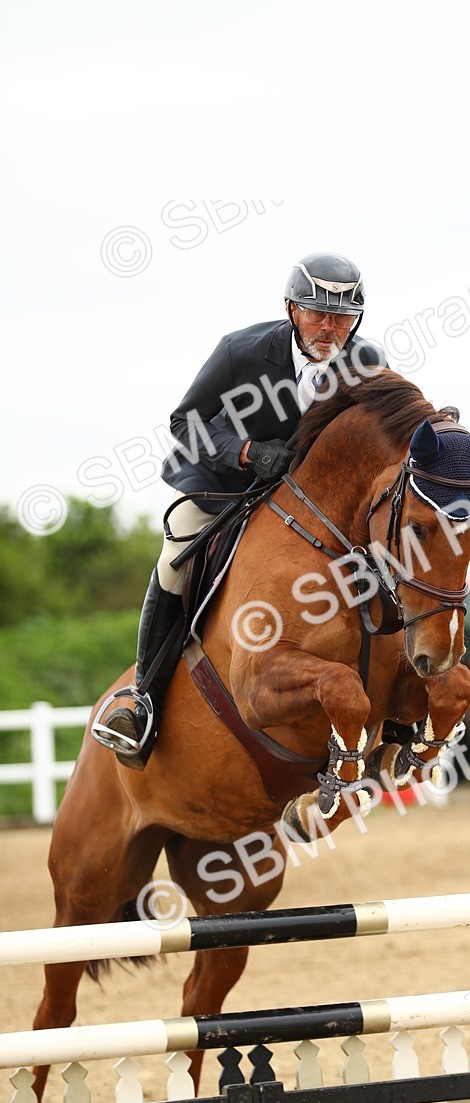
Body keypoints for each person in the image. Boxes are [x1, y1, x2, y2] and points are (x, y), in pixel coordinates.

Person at [93, 251, 384, 769]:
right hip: (223, 485)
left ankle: (401, 706)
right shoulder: (241, 351)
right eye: (318, 312)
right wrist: (246, 452)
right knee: (176, 552)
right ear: (292, 309)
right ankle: (142, 701)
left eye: (342, 317)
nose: (329, 326)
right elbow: (187, 420)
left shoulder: (364, 363)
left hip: (310, 499)